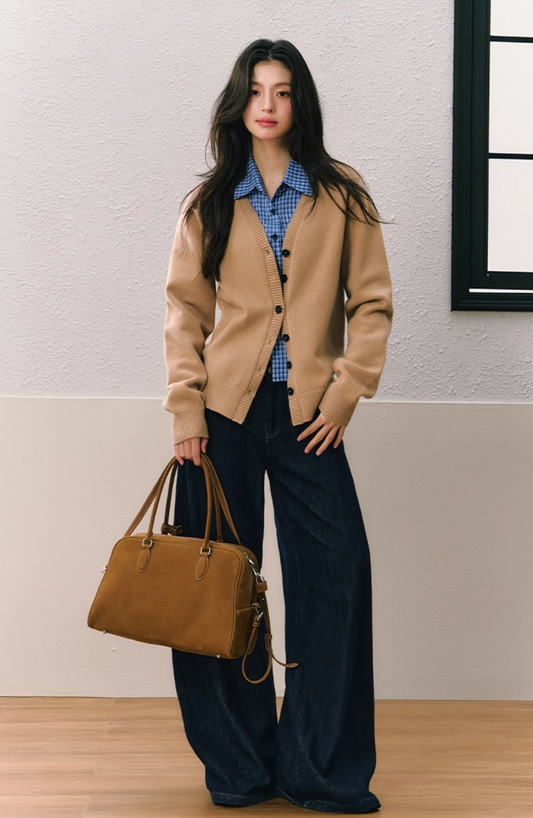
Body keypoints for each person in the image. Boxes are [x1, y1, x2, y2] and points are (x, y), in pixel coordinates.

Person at [162, 38, 393, 814]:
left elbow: (372, 304)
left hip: (308, 417)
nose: (268, 103)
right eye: (256, 89)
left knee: (335, 579)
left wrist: (345, 393)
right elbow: (185, 315)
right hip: (223, 415)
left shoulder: (342, 194)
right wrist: (185, 411)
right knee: (213, 589)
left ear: (301, 103)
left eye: (284, 90)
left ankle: (319, 768)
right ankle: (236, 764)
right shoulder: (210, 200)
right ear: (239, 102)